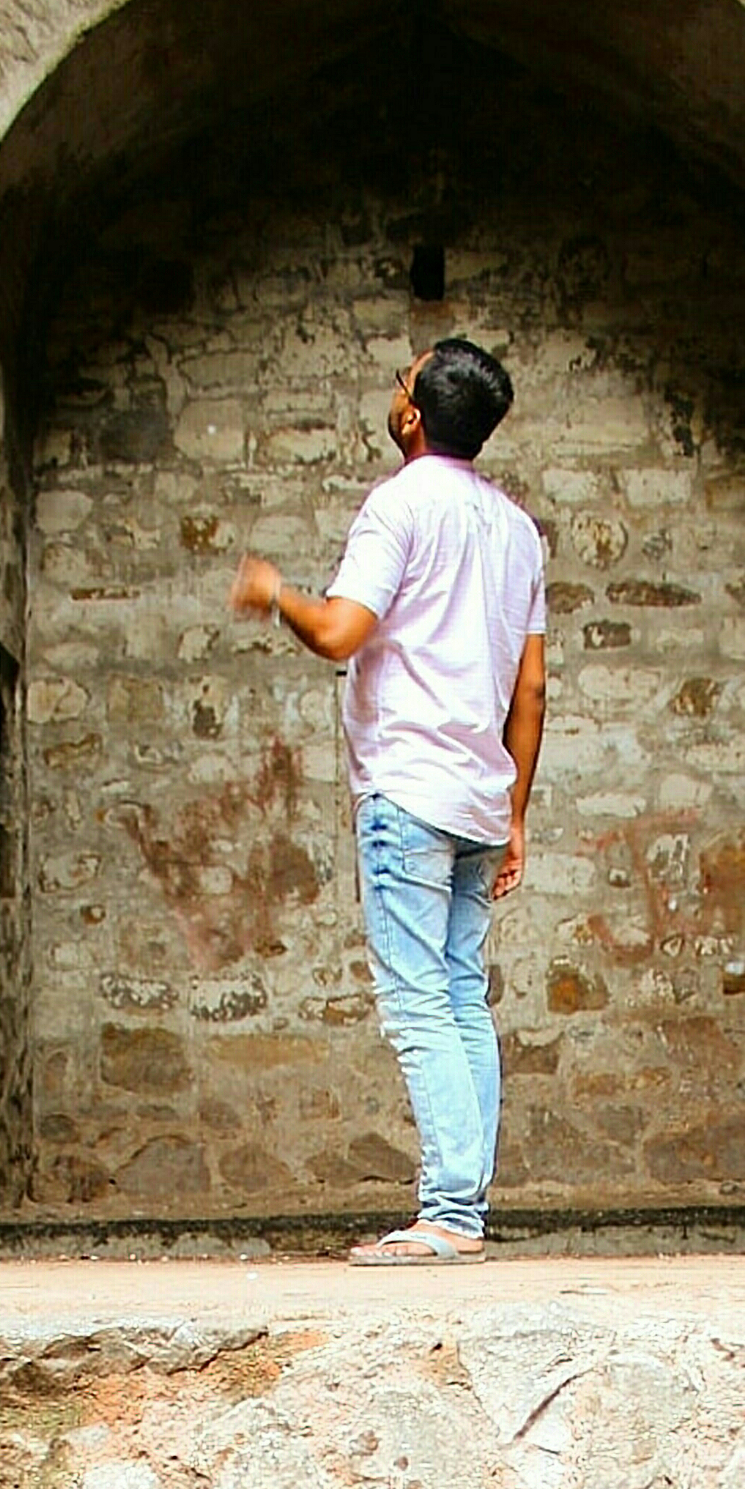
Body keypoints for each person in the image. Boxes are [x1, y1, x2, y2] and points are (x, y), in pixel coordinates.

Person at [230, 339, 547, 1264]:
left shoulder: (398, 507)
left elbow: (338, 632)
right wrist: (517, 811)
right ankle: (465, 1208)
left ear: (413, 416)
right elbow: (529, 691)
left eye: (401, 381)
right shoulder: (517, 530)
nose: (393, 389)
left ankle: (448, 1214)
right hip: (481, 794)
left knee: (419, 1004)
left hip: (408, 789)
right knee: (459, 996)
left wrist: (272, 592)